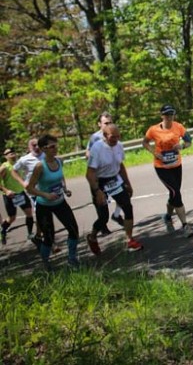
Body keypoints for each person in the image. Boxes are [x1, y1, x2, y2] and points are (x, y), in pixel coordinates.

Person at [85, 123, 143, 254]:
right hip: (99, 182)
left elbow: (120, 166)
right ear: (105, 136)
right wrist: (97, 191)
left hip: (115, 179)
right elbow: (89, 174)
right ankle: (92, 237)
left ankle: (129, 239)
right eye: (113, 137)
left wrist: (127, 183)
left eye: (118, 136)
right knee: (103, 217)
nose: (116, 140)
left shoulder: (119, 146)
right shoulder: (97, 148)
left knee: (128, 207)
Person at [25, 134, 80, 269]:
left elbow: (60, 177)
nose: (56, 149)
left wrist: (65, 189)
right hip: (44, 206)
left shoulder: (59, 161)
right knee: (49, 238)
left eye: (56, 145)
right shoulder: (40, 166)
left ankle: (72, 258)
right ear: (44, 149)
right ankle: (45, 263)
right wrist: (45, 195)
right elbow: (29, 188)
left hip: (60, 202)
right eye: (52, 146)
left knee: (74, 230)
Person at [142, 104, 193, 238]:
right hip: (162, 167)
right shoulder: (153, 130)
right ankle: (185, 225)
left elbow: (189, 141)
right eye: (166, 114)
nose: (169, 117)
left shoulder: (179, 127)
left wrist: (182, 146)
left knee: (173, 193)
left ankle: (167, 216)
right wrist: (154, 152)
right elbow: (145, 142)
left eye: (171, 114)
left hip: (176, 165)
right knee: (176, 192)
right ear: (162, 116)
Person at [85, 111, 124, 229]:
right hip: (99, 175)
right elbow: (88, 153)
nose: (108, 125)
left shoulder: (114, 134)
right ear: (99, 124)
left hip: (113, 173)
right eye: (106, 123)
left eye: (110, 122)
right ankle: (102, 225)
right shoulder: (95, 138)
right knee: (101, 202)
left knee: (124, 195)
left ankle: (116, 215)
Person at [1, 147, 35, 244]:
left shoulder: (18, 164)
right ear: (5, 156)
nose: (12, 154)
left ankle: (30, 234)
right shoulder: (4, 167)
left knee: (29, 213)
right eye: (9, 153)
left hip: (21, 193)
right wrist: (6, 191)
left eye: (13, 152)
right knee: (12, 218)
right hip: (10, 196)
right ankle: (3, 231)